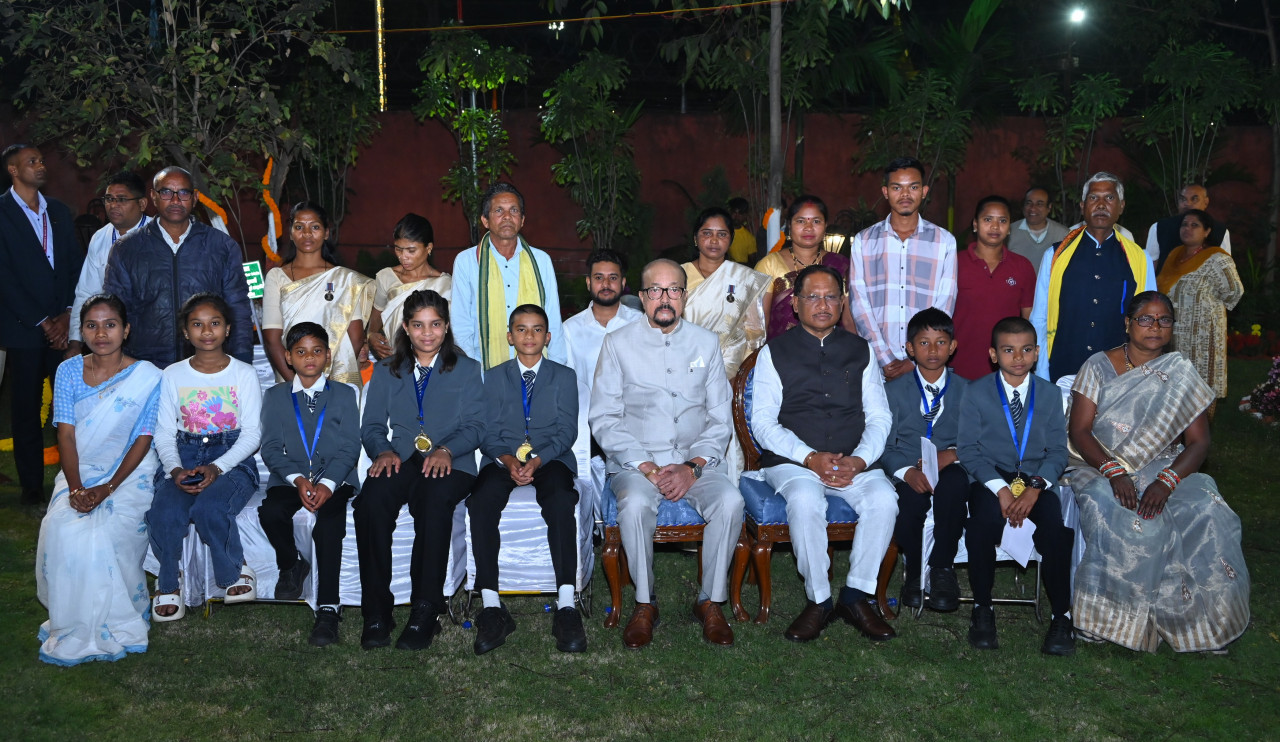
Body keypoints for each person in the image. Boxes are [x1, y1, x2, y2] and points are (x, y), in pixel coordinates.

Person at [1068, 291, 1249, 653]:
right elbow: (1079, 431)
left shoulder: (1181, 373)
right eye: (1145, 319)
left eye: (1164, 320)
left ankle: (1202, 626)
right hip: (1101, 465)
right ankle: (1107, 622)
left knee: (1208, 509)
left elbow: (1198, 443)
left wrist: (1167, 482)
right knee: (1132, 517)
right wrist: (1114, 472)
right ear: (1128, 323)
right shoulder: (1098, 366)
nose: (1155, 326)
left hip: (1166, 467)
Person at [591, 258, 744, 649]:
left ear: (684, 296)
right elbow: (604, 418)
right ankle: (644, 602)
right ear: (641, 297)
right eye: (655, 290)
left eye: (673, 289)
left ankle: (710, 601)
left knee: (729, 501)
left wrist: (693, 467)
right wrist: (645, 465)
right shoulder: (617, 343)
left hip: (696, 461)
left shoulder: (706, 343)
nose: (664, 298)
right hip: (637, 464)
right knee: (635, 506)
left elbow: (719, 418)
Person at [750, 264, 899, 643]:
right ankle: (818, 599)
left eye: (831, 296)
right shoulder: (774, 352)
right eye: (812, 296)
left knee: (884, 499)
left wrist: (861, 460)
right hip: (792, 461)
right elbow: (763, 424)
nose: (822, 304)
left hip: (854, 459)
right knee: (804, 499)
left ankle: (855, 595)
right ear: (796, 304)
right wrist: (809, 457)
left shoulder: (860, 349)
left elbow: (880, 415)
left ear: (842, 302)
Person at [35, 295, 162, 665]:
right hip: (80, 469)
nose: (101, 333)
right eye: (91, 325)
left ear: (126, 329)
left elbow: (143, 438)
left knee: (106, 532)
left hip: (129, 474)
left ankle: (118, 619)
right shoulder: (69, 371)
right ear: (82, 331)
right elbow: (67, 435)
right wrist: (76, 488)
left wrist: (107, 489)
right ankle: (72, 623)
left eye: (110, 325)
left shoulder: (147, 376)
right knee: (63, 527)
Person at [355, 290, 483, 651]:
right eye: (418, 325)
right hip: (402, 456)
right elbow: (373, 425)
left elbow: (476, 425)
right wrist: (381, 451)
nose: (428, 333)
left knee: (432, 501)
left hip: (453, 461)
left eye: (435, 324)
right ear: (406, 329)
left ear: (445, 327)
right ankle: (376, 611)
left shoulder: (467, 368)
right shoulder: (386, 371)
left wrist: (446, 449)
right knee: (371, 501)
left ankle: (426, 610)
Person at [957, 317, 1074, 655]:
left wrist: (1036, 488)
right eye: (1009, 350)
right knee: (981, 525)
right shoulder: (975, 392)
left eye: (1025, 350)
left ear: (1037, 353)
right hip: (991, 476)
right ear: (994, 354)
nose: (1018, 357)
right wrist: (1001, 489)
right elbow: (968, 450)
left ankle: (1061, 616)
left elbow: (1057, 451)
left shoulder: (1050, 394)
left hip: (1036, 479)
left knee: (1055, 531)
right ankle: (982, 608)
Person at [471, 304, 583, 654]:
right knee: (481, 500)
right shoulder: (492, 377)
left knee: (561, 499)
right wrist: (506, 459)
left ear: (547, 337)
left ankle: (566, 603)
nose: (529, 336)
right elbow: (485, 431)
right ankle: (491, 603)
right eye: (521, 329)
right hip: (502, 456)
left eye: (537, 329)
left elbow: (567, 431)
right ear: (509, 336)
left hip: (550, 457)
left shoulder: (564, 377)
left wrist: (537, 460)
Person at [146, 293, 263, 621]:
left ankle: (234, 571)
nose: (206, 331)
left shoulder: (243, 374)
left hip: (231, 459)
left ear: (227, 329)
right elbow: (164, 433)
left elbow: (252, 434)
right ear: (185, 332)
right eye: (197, 324)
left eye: (215, 323)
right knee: (164, 511)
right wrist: (174, 469)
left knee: (211, 507)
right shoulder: (171, 375)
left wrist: (217, 466)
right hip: (183, 456)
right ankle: (169, 580)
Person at [258, 322, 362, 647]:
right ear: (288, 357)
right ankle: (291, 563)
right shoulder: (275, 396)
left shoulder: (345, 394)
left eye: (317, 351)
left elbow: (350, 446)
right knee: (272, 512)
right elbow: (271, 448)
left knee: (328, 528)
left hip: (336, 478)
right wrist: (298, 479)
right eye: (301, 352)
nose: (309, 358)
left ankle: (328, 608)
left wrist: (329, 484)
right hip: (292, 479)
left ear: (328, 356)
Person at [103, 166, 253, 368]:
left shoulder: (222, 246)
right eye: (166, 192)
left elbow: (238, 309)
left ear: (195, 197)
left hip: (206, 366)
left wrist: (243, 361)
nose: (175, 200)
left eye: (183, 192)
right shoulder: (126, 249)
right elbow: (115, 313)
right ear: (153, 197)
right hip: (146, 367)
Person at [0, 144, 84, 506]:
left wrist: (67, 314)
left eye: (41, 160)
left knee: (72, 407)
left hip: (63, 329)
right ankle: (32, 485)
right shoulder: (1, 212)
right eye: (31, 162)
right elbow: (4, 276)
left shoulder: (60, 212)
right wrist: (40, 320)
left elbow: (73, 265)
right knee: (25, 408)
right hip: (23, 328)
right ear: (13, 170)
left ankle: (74, 478)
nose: (40, 165)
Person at [1030, 172, 1156, 382]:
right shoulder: (1055, 255)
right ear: (1082, 206)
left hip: (1118, 373)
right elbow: (1039, 318)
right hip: (1062, 367)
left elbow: (1147, 322)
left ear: (1121, 206)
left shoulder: (1139, 259)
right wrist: (1042, 372)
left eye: (1109, 198)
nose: (1101, 204)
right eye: (1093, 197)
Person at [884, 308, 969, 613]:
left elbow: (979, 440)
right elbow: (883, 442)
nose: (933, 351)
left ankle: (942, 568)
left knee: (955, 489)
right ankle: (916, 571)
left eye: (941, 342)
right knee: (910, 503)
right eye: (924, 343)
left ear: (953, 346)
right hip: (909, 466)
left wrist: (954, 453)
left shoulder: (968, 391)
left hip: (952, 466)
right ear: (909, 348)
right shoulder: (892, 392)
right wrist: (906, 472)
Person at [848, 156, 957, 381]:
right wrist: (885, 359)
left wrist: (917, 357)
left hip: (926, 365)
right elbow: (859, 304)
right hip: (875, 366)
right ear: (885, 192)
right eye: (897, 187)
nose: (905, 195)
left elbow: (945, 303)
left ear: (924, 191)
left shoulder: (944, 241)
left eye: (913, 187)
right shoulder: (864, 240)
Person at [451, 182, 565, 370]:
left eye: (513, 210)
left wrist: (555, 369)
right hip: (484, 368)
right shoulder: (467, 261)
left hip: (536, 368)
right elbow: (461, 324)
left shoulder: (540, 261)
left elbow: (552, 318)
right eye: (498, 211)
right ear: (485, 220)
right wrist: (472, 372)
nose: (506, 217)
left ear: (522, 220)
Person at [261, 201, 373, 386]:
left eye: (315, 227)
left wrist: (330, 383)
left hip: (335, 381)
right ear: (290, 233)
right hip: (290, 380)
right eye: (299, 227)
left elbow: (356, 336)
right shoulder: (277, 277)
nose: (307, 233)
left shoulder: (343, 278)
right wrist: (297, 385)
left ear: (326, 233)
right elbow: (272, 339)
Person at [562, 249, 642, 492]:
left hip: (635, 422)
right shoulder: (570, 329)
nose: (606, 284)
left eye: (613, 278)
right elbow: (568, 384)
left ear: (623, 283)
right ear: (588, 282)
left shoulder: (640, 324)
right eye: (598, 278)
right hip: (588, 427)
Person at [1156, 209, 1244, 413]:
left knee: (1201, 383)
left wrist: (1204, 310)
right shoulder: (1173, 255)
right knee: (1174, 383)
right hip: (1174, 335)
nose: (1187, 228)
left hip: (1202, 337)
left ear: (1207, 231)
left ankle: (1200, 435)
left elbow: (1234, 291)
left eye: (1194, 225)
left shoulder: (1216, 258)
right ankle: (1174, 433)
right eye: (1184, 224)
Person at [67, 171, 150, 358]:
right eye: (109, 199)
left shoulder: (158, 236)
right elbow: (86, 292)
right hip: (108, 336)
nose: (113, 205)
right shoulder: (100, 237)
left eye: (121, 199)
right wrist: (75, 341)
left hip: (150, 336)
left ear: (142, 204)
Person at [952, 196, 1036, 379]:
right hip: (960, 366)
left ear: (1009, 229)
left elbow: (1029, 319)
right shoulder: (955, 263)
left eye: (1002, 221)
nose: (995, 226)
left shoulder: (1022, 266)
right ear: (975, 224)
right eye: (988, 219)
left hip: (1008, 368)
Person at [682, 206, 769, 379]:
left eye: (722, 234)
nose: (714, 240)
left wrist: (741, 374)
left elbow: (754, 333)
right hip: (684, 363)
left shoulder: (743, 278)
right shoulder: (678, 275)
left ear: (730, 240)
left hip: (731, 370)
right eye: (707, 233)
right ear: (695, 238)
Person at [753, 195, 854, 339]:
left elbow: (848, 319)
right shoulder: (769, 265)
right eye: (800, 221)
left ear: (825, 226)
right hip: (782, 353)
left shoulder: (841, 265)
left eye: (816, 221)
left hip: (832, 352)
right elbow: (759, 324)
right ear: (789, 225)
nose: (808, 227)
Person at [368, 213, 451, 360]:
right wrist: (371, 336)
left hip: (434, 360)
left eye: (411, 251)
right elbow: (375, 320)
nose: (403, 256)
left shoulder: (445, 284)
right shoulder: (386, 277)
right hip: (395, 360)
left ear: (429, 248)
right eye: (398, 249)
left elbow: (450, 329)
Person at [1145, 184, 1233, 272]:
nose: (1187, 203)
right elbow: (1150, 266)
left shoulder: (1220, 231)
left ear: (1206, 202)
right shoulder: (1159, 227)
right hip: (1165, 284)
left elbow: (1226, 268)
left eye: (1194, 199)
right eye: (1183, 199)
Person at [1007, 187, 1069, 268]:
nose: (1033, 208)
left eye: (1039, 204)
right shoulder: (1009, 232)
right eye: (1029, 203)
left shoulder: (1063, 235)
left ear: (1049, 207)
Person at [727, 197, 758, 264]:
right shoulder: (720, 232)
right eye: (734, 212)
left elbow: (753, 263)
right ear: (730, 212)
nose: (736, 216)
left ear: (745, 215)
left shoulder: (749, 238)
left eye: (740, 213)